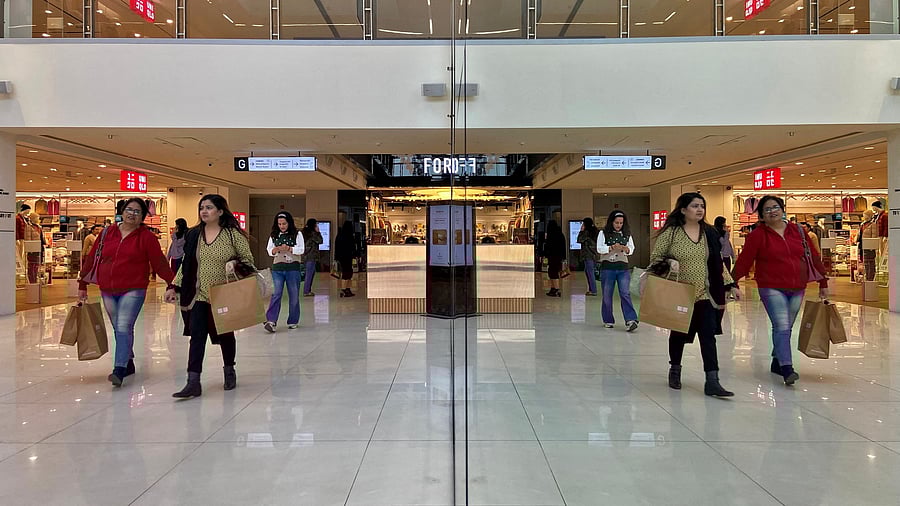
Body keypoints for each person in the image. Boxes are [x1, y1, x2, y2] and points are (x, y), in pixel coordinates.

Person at [650, 192, 741, 397]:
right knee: (679, 334)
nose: (700, 210)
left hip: (704, 293)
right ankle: (675, 368)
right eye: (694, 206)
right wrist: (668, 263)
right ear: (683, 210)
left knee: (708, 336)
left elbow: (717, 263)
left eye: (702, 206)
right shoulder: (672, 233)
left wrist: (731, 284)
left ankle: (712, 380)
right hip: (680, 293)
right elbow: (656, 258)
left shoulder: (708, 232)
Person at [165, 194, 255, 398]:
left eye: (209, 207)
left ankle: (229, 369)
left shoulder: (232, 235)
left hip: (224, 294)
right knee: (197, 335)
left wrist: (235, 264)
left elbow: (248, 260)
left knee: (225, 334)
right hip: (199, 294)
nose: (204, 211)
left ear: (220, 211)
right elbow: (187, 264)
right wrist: (173, 286)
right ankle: (193, 381)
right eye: (201, 208)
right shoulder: (195, 234)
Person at [78, 198, 175, 387]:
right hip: (107, 288)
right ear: (122, 211)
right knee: (117, 327)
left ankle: (119, 369)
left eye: (137, 211)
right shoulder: (107, 232)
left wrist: (172, 283)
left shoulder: (146, 238)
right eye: (129, 210)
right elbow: (92, 258)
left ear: (143, 216)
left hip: (134, 288)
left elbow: (159, 263)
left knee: (123, 326)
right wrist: (82, 283)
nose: (132, 214)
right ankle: (128, 361)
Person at [732, 195, 828, 385]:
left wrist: (823, 282)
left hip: (798, 286)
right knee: (781, 325)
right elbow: (745, 261)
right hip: (771, 286)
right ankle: (787, 367)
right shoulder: (758, 235)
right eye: (767, 209)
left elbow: (813, 257)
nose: (772, 212)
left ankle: (777, 360)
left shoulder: (798, 231)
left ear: (783, 209)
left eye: (775, 207)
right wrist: (731, 281)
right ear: (761, 215)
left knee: (788, 326)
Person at [597, 210, 638, 332]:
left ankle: (631, 319)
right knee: (607, 295)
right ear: (611, 222)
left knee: (625, 293)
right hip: (608, 267)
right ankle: (608, 319)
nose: (619, 225)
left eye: (621, 223)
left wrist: (626, 249)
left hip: (623, 268)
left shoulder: (627, 234)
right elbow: (599, 248)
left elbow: (631, 248)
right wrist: (610, 247)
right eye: (616, 222)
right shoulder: (603, 233)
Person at [264, 211, 304, 333]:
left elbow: (301, 249)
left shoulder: (297, 234)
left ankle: (293, 320)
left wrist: (290, 248)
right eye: (280, 224)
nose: (282, 226)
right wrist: (275, 249)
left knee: (294, 295)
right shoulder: (274, 235)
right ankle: (271, 320)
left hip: (293, 268)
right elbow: (269, 250)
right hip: (278, 268)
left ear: (289, 223)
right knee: (276, 294)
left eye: (284, 223)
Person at [334, 221, 359, 297]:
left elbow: (336, 247)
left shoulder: (339, 235)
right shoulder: (350, 236)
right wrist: (356, 255)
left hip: (341, 257)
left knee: (345, 272)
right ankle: (345, 289)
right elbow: (353, 247)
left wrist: (336, 257)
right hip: (348, 256)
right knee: (348, 273)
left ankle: (346, 289)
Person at [576, 217, 600, 296]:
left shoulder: (586, 233)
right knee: (589, 272)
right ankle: (591, 289)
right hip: (594, 255)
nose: (582, 225)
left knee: (590, 273)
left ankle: (593, 290)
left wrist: (581, 231)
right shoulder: (596, 231)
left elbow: (579, 240)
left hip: (588, 255)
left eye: (583, 224)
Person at [542, 220, 566, 297]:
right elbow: (563, 246)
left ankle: (556, 289)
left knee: (552, 272)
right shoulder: (560, 234)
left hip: (552, 256)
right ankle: (553, 288)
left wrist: (544, 254)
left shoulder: (551, 235)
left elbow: (547, 247)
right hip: (558, 257)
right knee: (553, 272)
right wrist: (563, 257)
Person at [301, 219, 324, 296]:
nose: (317, 226)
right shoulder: (313, 234)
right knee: (309, 274)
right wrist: (318, 232)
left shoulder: (305, 232)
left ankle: (307, 290)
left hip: (306, 256)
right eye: (316, 225)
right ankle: (306, 291)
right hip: (311, 256)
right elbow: (320, 241)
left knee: (310, 273)